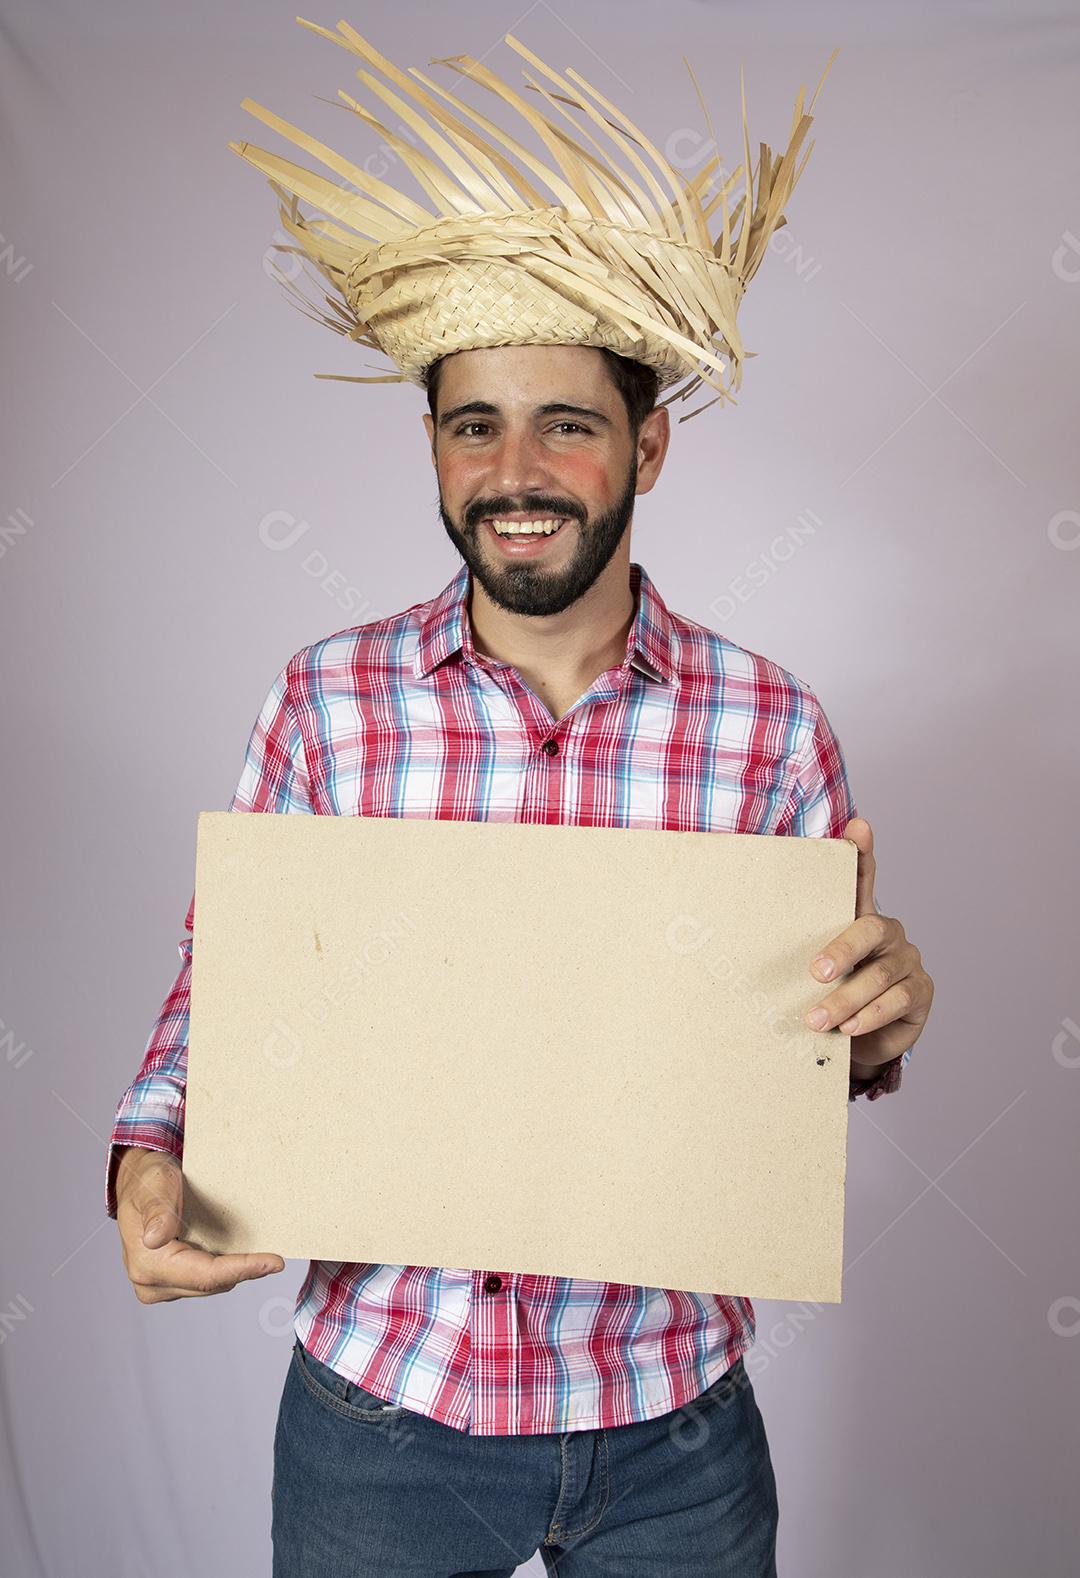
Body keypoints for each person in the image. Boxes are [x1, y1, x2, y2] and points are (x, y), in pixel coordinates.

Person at [107, 21, 934, 1576]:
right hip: (381, 1409)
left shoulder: (767, 727)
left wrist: (877, 1028)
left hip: (673, 1422)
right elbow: (223, 986)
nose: (517, 469)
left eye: (568, 421)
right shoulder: (324, 700)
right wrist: (151, 1148)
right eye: (475, 423)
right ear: (432, 443)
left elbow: (799, 1061)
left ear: (650, 445)